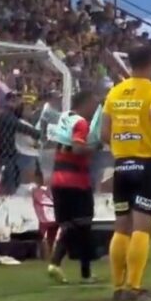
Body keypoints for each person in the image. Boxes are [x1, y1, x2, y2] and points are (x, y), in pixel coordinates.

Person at [102, 44, 151, 301]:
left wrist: (122, 147)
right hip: (148, 165)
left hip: (122, 164)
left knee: (121, 227)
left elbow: (103, 133)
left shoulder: (115, 92)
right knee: (142, 229)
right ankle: (134, 286)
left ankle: (117, 286)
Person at [46, 91, 100, 284]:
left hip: (58, 179)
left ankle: (59, 265)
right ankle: (81, 272)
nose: (95, 109)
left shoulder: (65, 117)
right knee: (83, 225)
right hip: (76, 180)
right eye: (93, 104)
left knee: (69, 225)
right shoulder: (81, 123)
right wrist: (95, 147)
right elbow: (77, 148)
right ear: (85, 103)